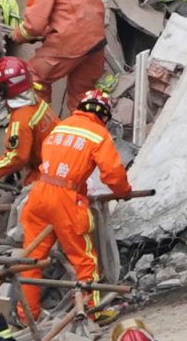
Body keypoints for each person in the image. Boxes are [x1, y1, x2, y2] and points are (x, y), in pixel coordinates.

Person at [18, 89, 131, 321]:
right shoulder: (98, 134)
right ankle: (91, 312)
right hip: (65, 200)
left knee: (31, 259)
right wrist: (124, 192)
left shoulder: (62, 126)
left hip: (39, 194)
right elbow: (113, 173)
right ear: (104, 115)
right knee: (84, 259)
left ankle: (26, 316)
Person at [9, 0, 106, 109]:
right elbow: (74, 12)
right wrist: (50, 31)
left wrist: (18, 35)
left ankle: (43, 128)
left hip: (72, 44)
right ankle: (84, 132)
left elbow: (33, 27)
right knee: (81, 96)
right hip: (96, 44)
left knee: (33, 77)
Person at [0, 57, 56, 186]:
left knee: (24, 204)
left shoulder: (20, 121)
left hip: (45, 170)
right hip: (55, 158)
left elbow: (17, 157)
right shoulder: (38, 101)